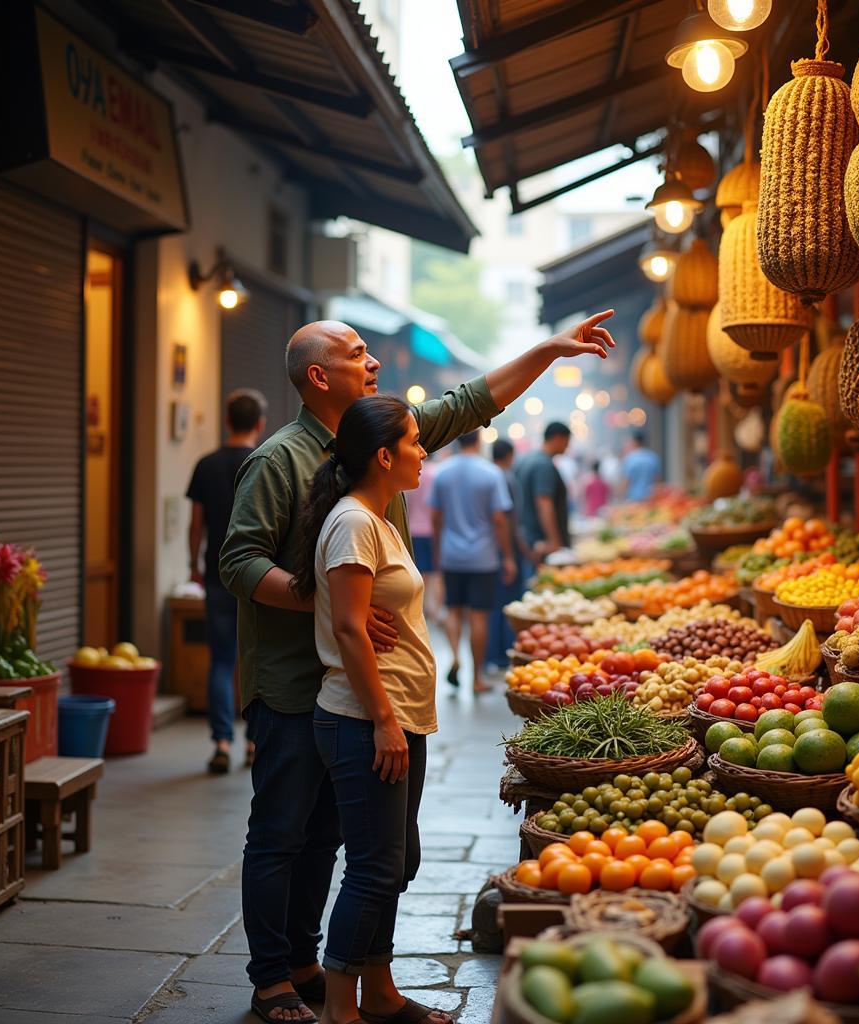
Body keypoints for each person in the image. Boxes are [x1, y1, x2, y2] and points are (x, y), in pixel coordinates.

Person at [219, 313, 615, 1024]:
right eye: (357, 352)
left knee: (338, 838)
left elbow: (472, 401)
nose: (372, 361)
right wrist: (319, 597)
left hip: (363, 684)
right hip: (295, 685)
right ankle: (272, 977)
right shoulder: (277, 461)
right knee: (283, 831)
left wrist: (550, 351)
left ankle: (314, 962)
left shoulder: (372, 437)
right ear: (319, 377)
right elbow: (239, 561)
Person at [290, 395, 436, 1024]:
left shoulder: (378, 519)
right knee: (375, 867)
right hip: (363, 719)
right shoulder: (353, 522)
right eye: (413, 442)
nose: (423, 451)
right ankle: (340, 1010)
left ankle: (379, 991)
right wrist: (381, 719)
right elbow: (349, 630)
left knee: (397, 860)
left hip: (398, 715)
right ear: (384, 455)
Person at [186, 388, 267, 775]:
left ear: (226, 420)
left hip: (218, 574)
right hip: (257, 578)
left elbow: (196, 523)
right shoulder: (266, 460)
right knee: (256, 659)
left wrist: (194, 565)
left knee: (221, 659)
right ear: (260, 424)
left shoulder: (206, 464)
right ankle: (254, 741)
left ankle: (221, 740)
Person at [429, 430, 515, 694]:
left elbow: (436, 518)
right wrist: (508, 556)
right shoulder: (491, 473)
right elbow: (499, 520)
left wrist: (438, 552)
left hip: (452, 555)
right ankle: (476, 678)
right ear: (478, 440)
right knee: (479, 616)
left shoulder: (443, 472)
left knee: (454, 610)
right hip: (483, 557)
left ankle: (455, 658)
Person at [486, 439, 525, 670]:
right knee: (507, 605)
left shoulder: (487, 475)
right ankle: (502, 655)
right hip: (504, 550)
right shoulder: (506, 478)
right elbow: (508, 520)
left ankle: (491, 656)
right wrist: (514, 554)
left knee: (492, 606)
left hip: (487, 551)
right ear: (510, 455)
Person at [515, 421, 572, 577]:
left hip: (527, 537)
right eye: (567, 442)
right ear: (558, 438)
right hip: (540, 541)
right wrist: (554, 541)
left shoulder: (527, 460)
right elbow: (544, 503)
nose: (567, 447)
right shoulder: (543, 465)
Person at [404, 450, 442, 623]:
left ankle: (420, 609)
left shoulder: (411, 473)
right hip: (432, 531)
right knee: (434, 574)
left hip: (413, 530)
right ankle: (432, 608)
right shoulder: (437, 474)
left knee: (417, 573)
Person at [621, 430, 662, 501]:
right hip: (650, 497)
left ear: (634, 442)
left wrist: (622, 496)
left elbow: (626, 481)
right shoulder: (653, 457)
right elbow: (657, 480)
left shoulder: (630, 458)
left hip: (633, 498)